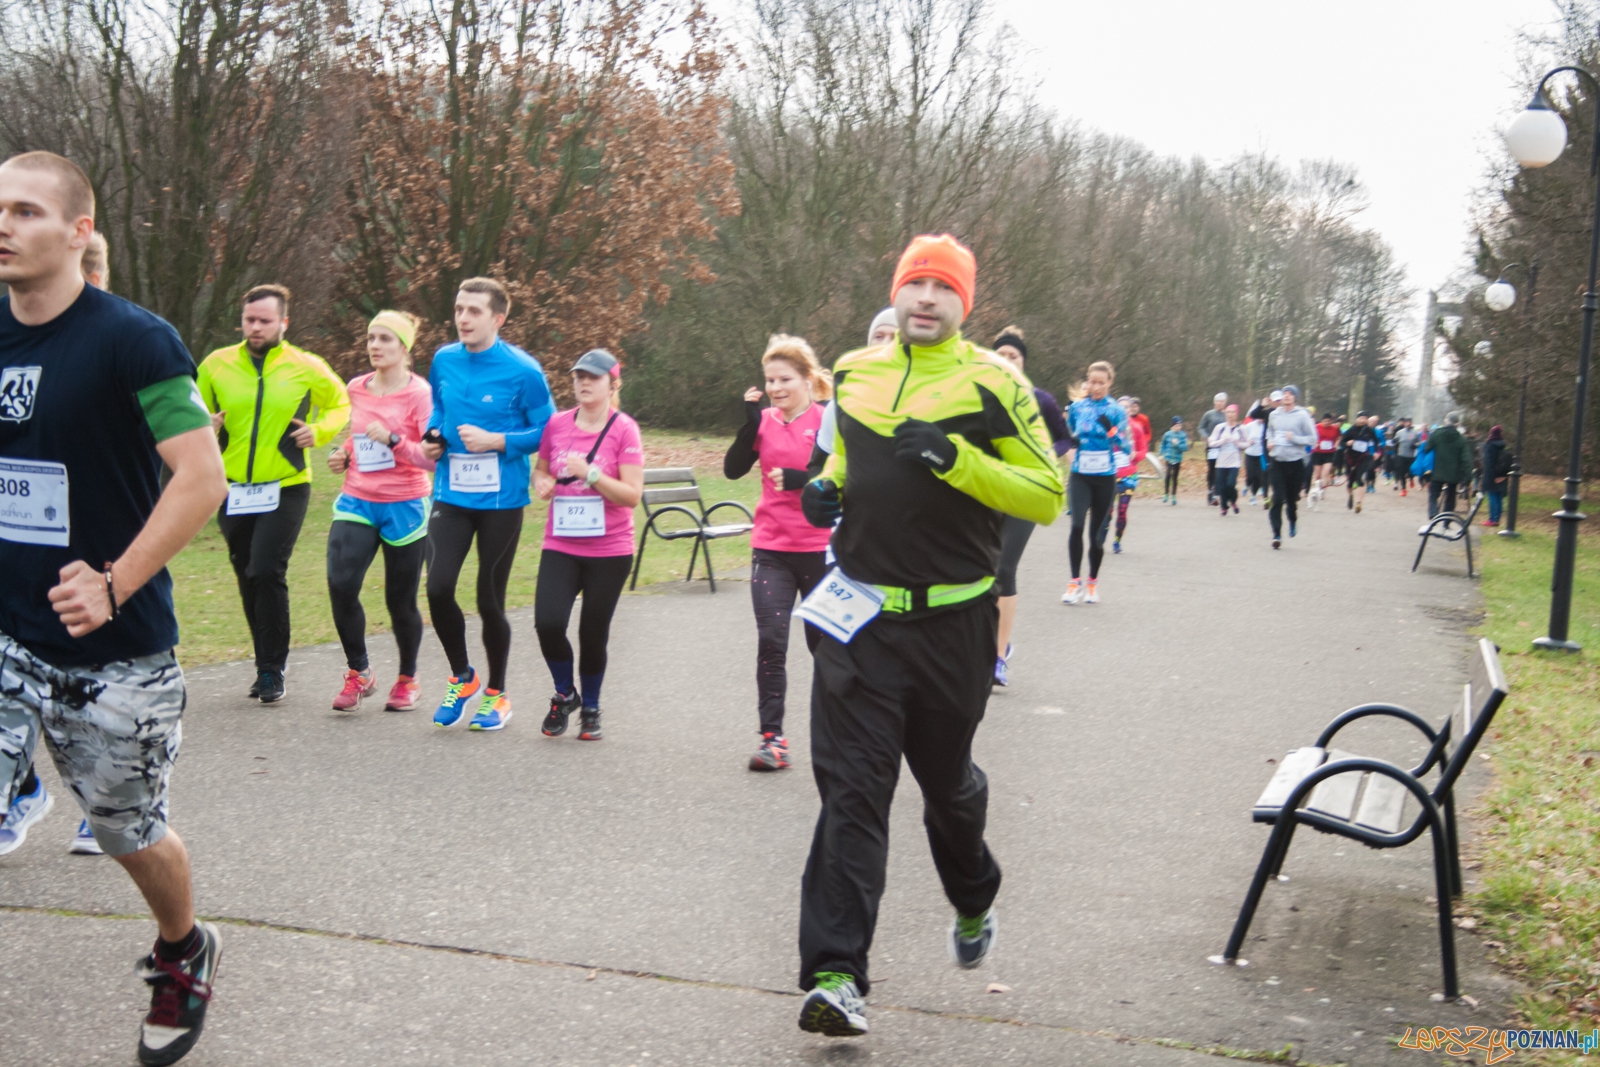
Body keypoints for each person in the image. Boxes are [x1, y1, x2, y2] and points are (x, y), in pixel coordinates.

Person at [792, 234, 1063, 1037]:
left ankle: (973, 891)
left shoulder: (994, 385)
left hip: (955, 623)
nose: (926, 299)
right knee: (853, 792)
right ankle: (837, 975)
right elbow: (845, 456)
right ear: (897, 292)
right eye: (915, 284)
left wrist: (956, 459)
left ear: (963, 304)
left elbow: (1045, 493)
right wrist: (825, 488)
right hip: (862, 622)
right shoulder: (853, 372)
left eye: (943, 288)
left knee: (947, 786)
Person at [0, 150, 230, 1066]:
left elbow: (200, 477)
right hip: (6, 636)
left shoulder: (137, 340)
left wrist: (115, 578)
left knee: (127, 828)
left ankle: (184, 948)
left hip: (115, 656)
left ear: (78, 231)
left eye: (24, 210)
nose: (4, 225)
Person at [0, 225, 120, 860]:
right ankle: (22, 792)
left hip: (93, 555)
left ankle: (101, 804)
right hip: (19, 549)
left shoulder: (125, 343)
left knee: (84, 692)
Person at [198, 284, 350, 703]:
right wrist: (205, 424)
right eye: (250, 320)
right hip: (232, 489)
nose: (256, 327)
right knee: (247, 574)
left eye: (265, 320)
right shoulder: (217, 364)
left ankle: (272, 669)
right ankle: (264, 663)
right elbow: (194, 407)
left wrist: (317, 431)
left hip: (286, 486)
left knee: (266, 569)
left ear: (283, 322)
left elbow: (341, 404)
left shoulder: (306, 366)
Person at [421, 277, 555, 730]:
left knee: (488, 598)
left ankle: (497, 694)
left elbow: (548, 432)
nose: (463, 318)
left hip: (501, 500)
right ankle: (463, 676)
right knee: (437, 587)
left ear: (497, 318)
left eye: (474, 311)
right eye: (459, 308)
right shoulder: (443, 359)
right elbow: (440, 411)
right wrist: (433, 439)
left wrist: (500, 440)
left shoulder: (524, 371)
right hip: (451, 492)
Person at [722, 335, 832, 765]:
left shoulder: (827, 421)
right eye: (770, 380)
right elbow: (732, 471)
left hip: (821, 549)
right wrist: (750, 424)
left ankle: (838, 735)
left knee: (826, 648)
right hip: (771, 548)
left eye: (784, 379)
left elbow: (848, 474)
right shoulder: (764, 420)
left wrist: (804, 478)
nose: (776, 388)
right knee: (771, 641)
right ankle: (773, 740)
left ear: (807, 379)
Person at [324, 311, 434, 712]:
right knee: (340, 583)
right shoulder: (357, 387)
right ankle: (360, 671)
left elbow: (432, 459)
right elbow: (356, 439)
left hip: (405, 504)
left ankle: (408, 677)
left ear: (404, 348)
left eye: (385, 339)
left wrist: (394, 441)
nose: (375, 346)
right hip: (357, 499)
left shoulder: (420, 394)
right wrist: (342, 454)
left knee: (399, 600)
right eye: (371, 337)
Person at [531, 349, 642, 741]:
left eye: (592, 377)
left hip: (610, 549)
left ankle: (591, 707)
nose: (582, 383)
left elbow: (632, 496)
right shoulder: (557, 425)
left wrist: (592, 474)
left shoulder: (624, 429)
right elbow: (542, 470)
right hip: (561, 543)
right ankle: (565, 694)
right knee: (547, 622)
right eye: (578, 376)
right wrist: (541, 483)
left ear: (613, 385)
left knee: (593, 633)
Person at [989, 326, 1069, 685]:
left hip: (1025, 493)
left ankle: (999, 655)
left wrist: (1046, 455)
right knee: (981, 569)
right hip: (987, 490)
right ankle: (977, 645)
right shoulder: (977, 397)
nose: (1007, 362)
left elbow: (1066, 438)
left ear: (1023, 362)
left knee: (1004, 567)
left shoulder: (1041, 400)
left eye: (1014, 356)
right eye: (1001, 356)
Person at [1061, 361, 1126, 604]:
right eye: (1092, 382)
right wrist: (1072, 444)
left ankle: (1092, 584)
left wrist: (1111, 433)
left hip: (1105, 478)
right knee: (1076, 526)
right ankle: (1073, 582)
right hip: (1080, 476)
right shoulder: (1077, 407)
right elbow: (1067, 437)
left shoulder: (1116, 410)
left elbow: (1125, 446)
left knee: (1096, 536)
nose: (1096, 387)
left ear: (1110, 383)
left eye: (1101, 383)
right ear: (1087, 381)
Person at [1266, 386, 1315, 549]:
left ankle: (1292, 519)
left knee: (1291, 499)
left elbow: (1312, 438)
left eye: (1290, 394)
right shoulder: (1274, 414)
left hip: (1295, 463)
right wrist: (1270, 442)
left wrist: (1294, 438)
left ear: (1295, 398)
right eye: (1284, 394)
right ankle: (1276, 534)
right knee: (1277, 498)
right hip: (1277, 461)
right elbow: (1270, 432)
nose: (1286, 396)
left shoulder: (1302, 415)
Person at [1108, 394, 1149, 554]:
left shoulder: (1136, 428)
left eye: (1126, 407)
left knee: (1122, 510)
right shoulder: (1110, 428)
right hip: (1109, 475)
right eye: (1120, 407)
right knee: (1107, 511)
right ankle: (1100, 538)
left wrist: (1136, 456)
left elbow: (1143, 450)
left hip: (1128, 475)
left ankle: (1117, 541)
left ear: (1130, 409)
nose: (1123, 410)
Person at [1426, 412, 1474, 518]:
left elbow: (1427, 449)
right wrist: (1468, 478)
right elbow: (1467, 460)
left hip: (1437, 471)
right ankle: (1446, 521)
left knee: (1433, 494)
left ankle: (1433, 512)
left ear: (1446, 421)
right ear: (1457, 424)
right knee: (1451, 497)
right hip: (1453, 474)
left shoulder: (1436, 434)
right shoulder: (1462, 439)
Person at [1208, 404, 1244, 514]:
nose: (1230, 414)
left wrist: (1239, 444)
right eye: (1228, 412)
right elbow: (1211, 442)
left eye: (1233, 412)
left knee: (1230, 484)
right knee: (1222, 487)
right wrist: (1221, 441)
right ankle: (1224, 507)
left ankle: (1233, 501)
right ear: (1225, 414)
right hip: (1221, 462)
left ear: (1236, 414)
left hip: (1234, 462)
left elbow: (1247, 443)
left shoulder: (1241, 428)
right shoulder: (1220, 428)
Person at [1340, 411, 1378, 514]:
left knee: (1360, 479)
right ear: (1357, 419)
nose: (1363, 420)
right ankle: (1351, 495)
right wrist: (1347, 443)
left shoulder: (1369, 430)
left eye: (1365, 418)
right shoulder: (1350, 430)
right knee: (1350, 482)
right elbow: (1342, 442)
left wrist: (1375, 452)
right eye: (1361, 418)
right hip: (1350, 458)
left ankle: (1359, 503)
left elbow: (1375, 442)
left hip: (1363, 458)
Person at [1198, 392, 1227, 504]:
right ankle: (1211, 492)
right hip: (1212, 447)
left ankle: (1219, 493)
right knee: (1212, 470)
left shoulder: (1227, 414)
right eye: (1218, 401)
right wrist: (1207, 437)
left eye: (1222, 401)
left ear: (1225, 402)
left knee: (1222, 470)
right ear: (1214, 402)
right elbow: (1201, 427)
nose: (1220, 403)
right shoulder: (1209, 414)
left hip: (1224, 447)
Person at [1480, 426, 1512, 527]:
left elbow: (1488, 462)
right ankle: (1497, 519)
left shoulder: (1490, 445)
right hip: (1502, 475)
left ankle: (1492, 519)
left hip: (1492, 475)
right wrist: (1502, 475)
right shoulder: (1503, 445)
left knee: (1492, 497)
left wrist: (1490, 477)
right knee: (1499, 498)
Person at [1241, 406, 1266, 505]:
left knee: (1258, 476)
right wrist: (1247, 441)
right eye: (1259, 417)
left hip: (1261, 454)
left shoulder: (1266, 426)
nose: (1261, 419)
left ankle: (1253, 496)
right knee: (1250, 475)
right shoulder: (1250, 425)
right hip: (1250, 453)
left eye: (1262, 417)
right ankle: (1247, 485)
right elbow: (1243, 435)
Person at [1159, 416, 1187, 504]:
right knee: (1167, 476)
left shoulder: (1183, 435)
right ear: (1172, 426)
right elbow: (1162, 444)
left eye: (1180, 425)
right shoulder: (1167, 434)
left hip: (1177, 459)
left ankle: (1174, 495)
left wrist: (1177, 444)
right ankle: (1166, 493)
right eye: (1176, 426)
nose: (1178, 428)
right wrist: (1161, 454)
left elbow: (1185, 448)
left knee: (1175, 478)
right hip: (1168, 458)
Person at [1312, 412, 1339, 492]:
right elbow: (1311, 437)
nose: (1327, 423)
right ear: (1322, 420)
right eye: (1325, 421)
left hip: (1329, 453)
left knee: (1326, 472)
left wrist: (1336, 445)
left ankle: (1323, 490)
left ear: (1331, 421)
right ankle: (1315, 488)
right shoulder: (1316, 427)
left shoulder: (1335, 428)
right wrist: (1315, 443)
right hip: (1318, 452)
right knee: (1318, 474)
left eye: (1329, 421)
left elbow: (1338, 438)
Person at [1394, 418, 1418, 496]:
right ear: (1404, 424)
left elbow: (1419, 442)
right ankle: (1404, 489)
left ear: (1411, 424)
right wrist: (1395, 440)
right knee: (1401, 472)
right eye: (1407, 422)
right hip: (1401, 455)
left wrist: (1415, 445)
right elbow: (1395, 440)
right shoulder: (1399, 432)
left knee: (1410, 471)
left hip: (1411, 456)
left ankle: (1411, 478)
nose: (1408, 424)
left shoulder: (1415, 433)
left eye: (1409, 423)